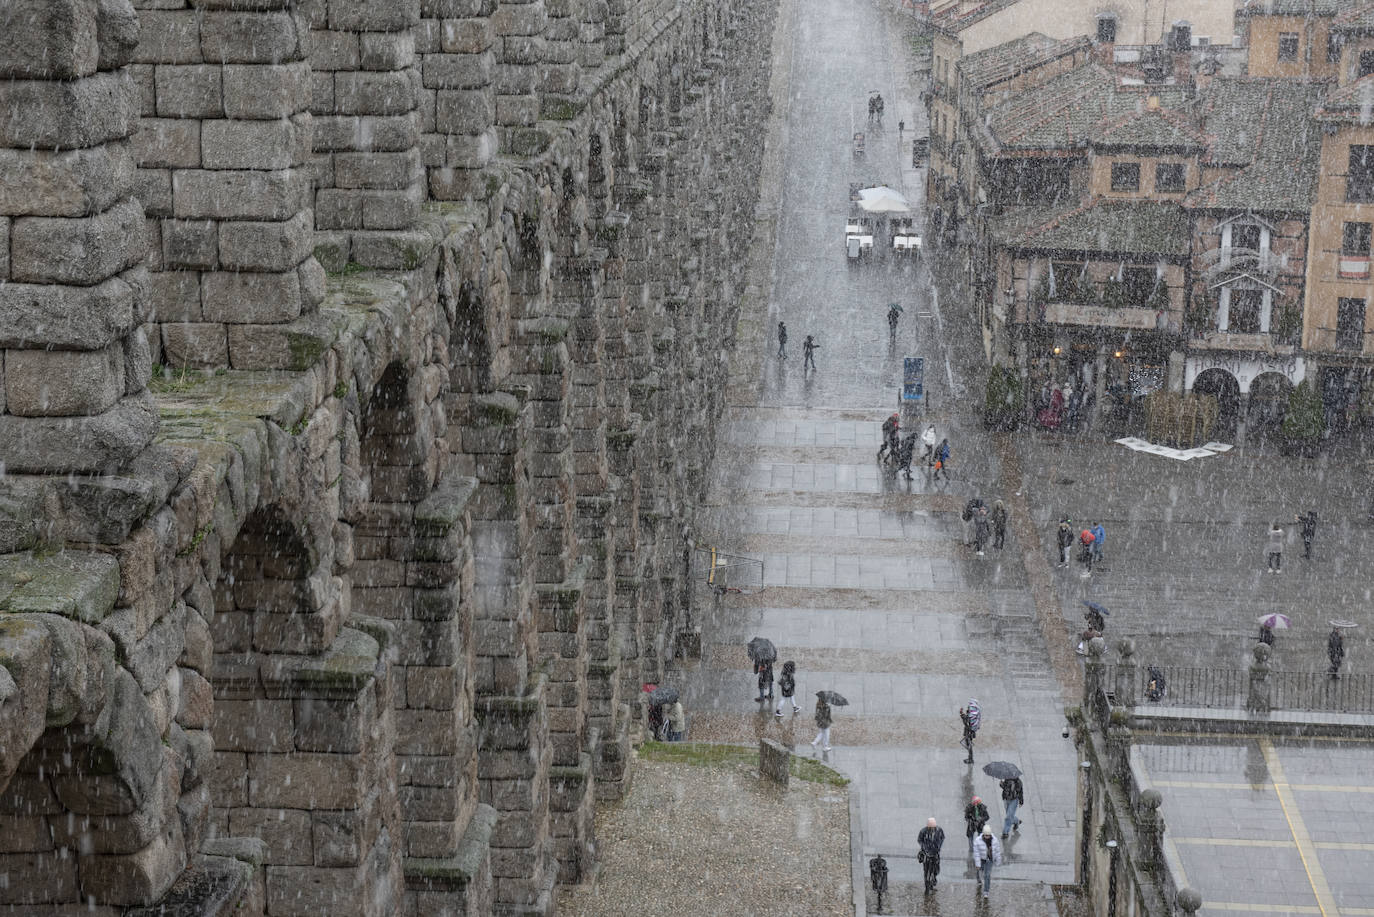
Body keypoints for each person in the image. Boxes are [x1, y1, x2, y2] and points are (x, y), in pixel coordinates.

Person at [973, 825, 1004, 896]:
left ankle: (986, 891)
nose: (987, 837)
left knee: (987, 875)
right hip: (981, 859)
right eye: (986, 835)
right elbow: (976, 853)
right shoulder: (978, 841)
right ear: (983, 834)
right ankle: (978, 879)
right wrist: (977, 864)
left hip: (989, 860)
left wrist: (998, 860)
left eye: (988, 835)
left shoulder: (995, 840)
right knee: (979, 870)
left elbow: (997, 851)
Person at [917, 817, 945, 893]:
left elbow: (942, 838)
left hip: (935, 854)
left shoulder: (939, 830)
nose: (932, 828)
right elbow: (919, 840)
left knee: (935, 869)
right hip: (926, 854)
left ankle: (932, 881)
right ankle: (927, 886)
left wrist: (938, 846)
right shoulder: (923, 831)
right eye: (930, 827)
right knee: (926, 871)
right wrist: (924, 847)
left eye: (933, 827)